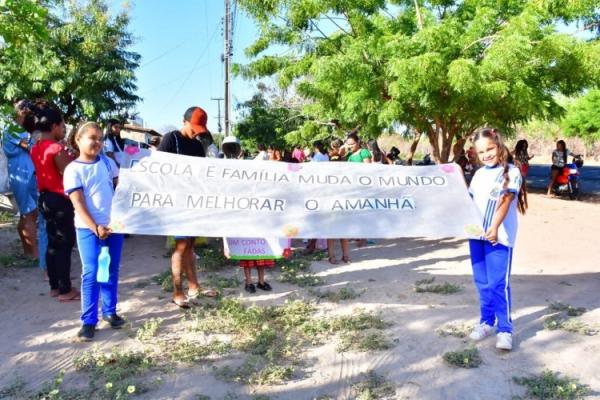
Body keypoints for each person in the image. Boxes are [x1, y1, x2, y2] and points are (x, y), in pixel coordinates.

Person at [63, 122, 125, 341]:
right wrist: (95, 227)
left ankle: (110, 311)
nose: (97, 142)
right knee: (91, 273)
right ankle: (89, 321)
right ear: (78, 140)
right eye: (92, 137)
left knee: (111, 269)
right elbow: (78, 203)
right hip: (88, 230)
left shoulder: (108, 164)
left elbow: (121, 190)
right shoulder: (73, 170)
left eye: (100, 138)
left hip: (114, 227)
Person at [467, 128, 527, 351]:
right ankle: (486, 322)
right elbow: (468, 203)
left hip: (499, 238)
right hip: (476, 236)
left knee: (498, 284)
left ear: (499, 145)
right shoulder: (479, 174)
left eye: (490, 149)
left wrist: (494, 227)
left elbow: (505, 201)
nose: (486, 155)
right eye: (481, 152)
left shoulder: (512, 172)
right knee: (482, 282)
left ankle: (505, 329)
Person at [157, 106, 216, 308]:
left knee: (190, 245)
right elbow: (158, 170)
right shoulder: (169, 139)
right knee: (181, 246)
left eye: (199, 129)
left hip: (193, 202)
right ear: (184, 121)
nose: (195, 132)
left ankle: (193, 286)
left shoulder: (198, 146)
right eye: (193, 128)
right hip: (175, 202)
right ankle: (177, 291)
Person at [30, 101, 80, 302]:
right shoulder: (55, 148)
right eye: (62, 126)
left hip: (44, 198)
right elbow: (70, 172)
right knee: (65, 243)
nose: (63, 129)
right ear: (53, 126)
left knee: (52, 243)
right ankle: (65, 288)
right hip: (59, 199)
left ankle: (54, 286)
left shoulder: (36, 148)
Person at [222, 136, 274, 293]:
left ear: (239, 150)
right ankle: (249, 281)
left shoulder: (248, 166)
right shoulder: (221, 168)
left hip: (254, 213)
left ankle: (261, 281)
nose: (232, 150)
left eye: (234, 147)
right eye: (229, 147)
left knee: (260, 249)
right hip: (239, 215)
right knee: (246, 250)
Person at [1, 100, 47, 270]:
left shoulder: (21, 129)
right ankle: (33, 254)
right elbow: (30, 147)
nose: (28, 109)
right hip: (21, 171)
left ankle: (30, 251)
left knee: (29, 213)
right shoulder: (12, 128)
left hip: (26, 171)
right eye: (25, 106)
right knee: (28, 213)